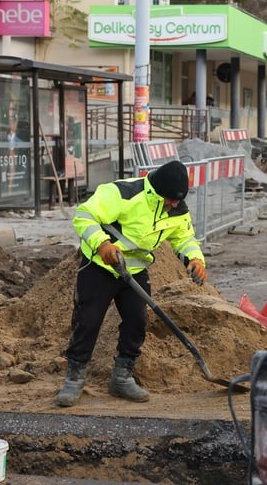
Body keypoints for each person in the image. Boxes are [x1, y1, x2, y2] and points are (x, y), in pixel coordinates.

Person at [56, 160, 207, 407]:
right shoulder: (123, 193)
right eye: (170, 198)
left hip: (134, 270)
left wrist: (195, 259)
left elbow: (184, 237)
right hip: (100, 266)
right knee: (88, 321)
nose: (174, 204)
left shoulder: (177, 209)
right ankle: (74, 379)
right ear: (158, 190)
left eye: (178, 200)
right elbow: (84, 215)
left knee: (137, 321)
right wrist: (102, 244)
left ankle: (122, 377)